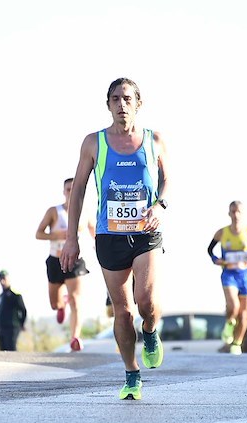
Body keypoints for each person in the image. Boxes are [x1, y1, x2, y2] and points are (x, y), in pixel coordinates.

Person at [59, 77, 169, 400]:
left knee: (146, 302)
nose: (121, 105)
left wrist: (161, 205)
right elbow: (77, 191)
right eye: (115, 99)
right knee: (122, 312)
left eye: (127, 99)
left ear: (138, 104)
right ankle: (132, 374)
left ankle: (150, 332)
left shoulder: (155, 140)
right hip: (110, 235)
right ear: (108, 105)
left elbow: (169, 179)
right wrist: (71, 239)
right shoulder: (93, 143)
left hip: (146, 232)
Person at [35, 178, 93, 351]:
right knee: (54, 303)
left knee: (77, 300)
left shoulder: (85, 212)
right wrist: (56, 235)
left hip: (75, 261)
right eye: (68, 189)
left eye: (74, 189)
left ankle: (75, 337)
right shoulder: (54, 211)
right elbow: (38, 234)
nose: (70, 192)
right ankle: (61, 305)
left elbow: (95, 232)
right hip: (55, 260)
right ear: (63, 191)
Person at [207, 201, 247, 355]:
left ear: (242, 214)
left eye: (238, 212)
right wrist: (215, 259)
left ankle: (237, 343)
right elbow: (210, 249)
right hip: (229, 274)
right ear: (229, 213)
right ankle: (229, 323)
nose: (236, 215)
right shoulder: (222, 232)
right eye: (233, 211)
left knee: (244, 313)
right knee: (233, 306)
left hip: (246, 275)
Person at [0, 270, 27, 351]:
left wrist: (21, 323)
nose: (2, 281)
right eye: (0, 279)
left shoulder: (15, 294)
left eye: (4, 278)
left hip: (12, 327)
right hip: (2, 327)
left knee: (11, 349)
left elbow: (23, 310)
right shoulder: (1, 296)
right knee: (2, 350)